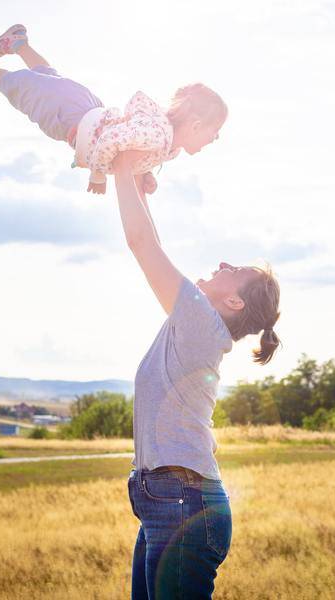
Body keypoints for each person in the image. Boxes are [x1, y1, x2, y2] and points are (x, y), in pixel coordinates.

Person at [113, 150, 281, 599]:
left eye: (235, 271)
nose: (223, 263)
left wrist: (120, 163)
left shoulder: (200, 324)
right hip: (167, 500)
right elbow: (152, 241)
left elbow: (142, 245)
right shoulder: (192, 323)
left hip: (184, 504)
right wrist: (139, 184)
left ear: (235, 303)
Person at [0, 25, 227, 195]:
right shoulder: (157, 134)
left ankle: (19, 44)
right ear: (197, 125)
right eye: (215, 134)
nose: (214, 141)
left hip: (85, 108)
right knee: (24, 89)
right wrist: (98, 176)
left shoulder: (167, 145)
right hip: (73, 120)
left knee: (46, 81)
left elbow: (132, 143)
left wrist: (146, 172)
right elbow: (110, 142)